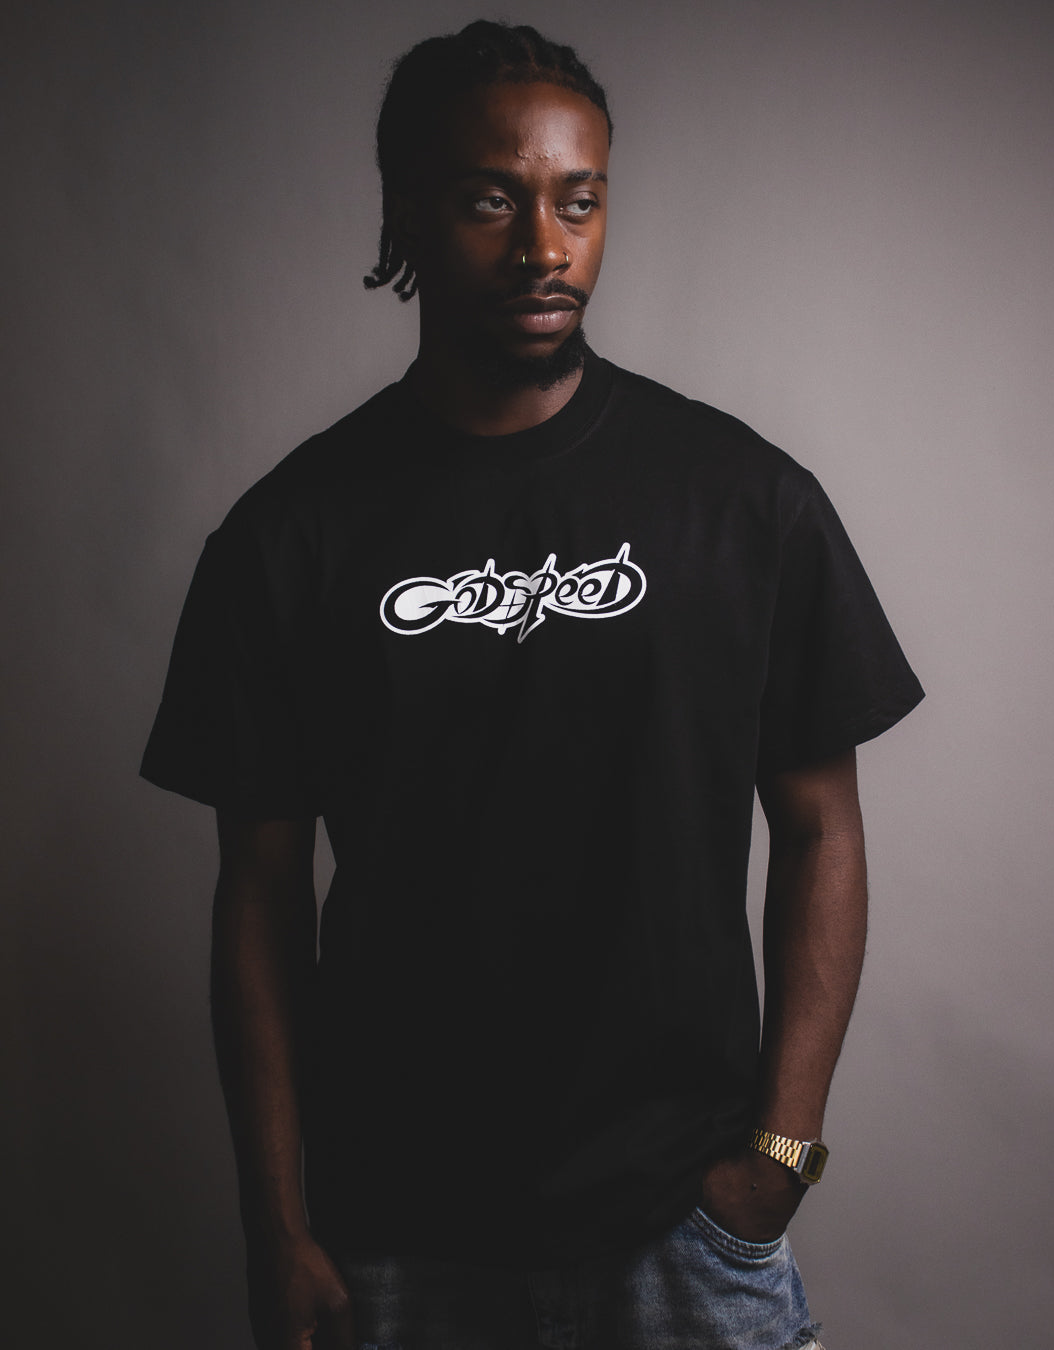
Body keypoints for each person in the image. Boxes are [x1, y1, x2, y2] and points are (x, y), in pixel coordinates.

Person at [142, 19, 923, 1350]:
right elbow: (259, 896)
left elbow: (821, 827)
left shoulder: (745, 502)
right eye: (491, 199)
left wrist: (778, 1156)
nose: (544, 247)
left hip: (684, 1224)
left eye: (580, 199)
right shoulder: (289, 537)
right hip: (394, 1227)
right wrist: (276, 1224)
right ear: (406, 209)